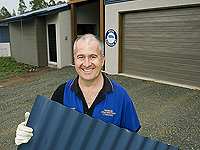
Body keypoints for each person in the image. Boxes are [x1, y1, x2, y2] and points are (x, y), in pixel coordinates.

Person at [15, 33, 140, 146]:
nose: (86, 64)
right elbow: (50, 135)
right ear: (74, 60)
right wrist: (31, 133)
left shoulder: (120, 95)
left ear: (102, 60)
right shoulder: (61, 92)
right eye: (81, 57)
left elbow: (132, 141)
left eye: (92, 57)